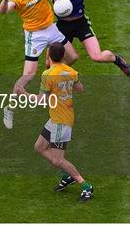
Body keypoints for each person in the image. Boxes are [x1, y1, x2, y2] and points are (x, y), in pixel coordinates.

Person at [0, 0, 93, 129]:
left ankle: (50, 78)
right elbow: (4, 11)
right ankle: (10, 108)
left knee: (73, 56)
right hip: (35, 36)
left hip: (51, 28)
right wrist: (4, 1)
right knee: (27, 75)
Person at [18, 42, 93, 202]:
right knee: (39, 147)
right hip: (58, 118)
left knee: (58, 159)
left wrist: (23, 93)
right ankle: (67, 175)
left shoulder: (48, 75)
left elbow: (41, 101)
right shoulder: (71, 71)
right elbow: (81, 89)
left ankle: (85, 185)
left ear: (49, 55)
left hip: (61, 121)